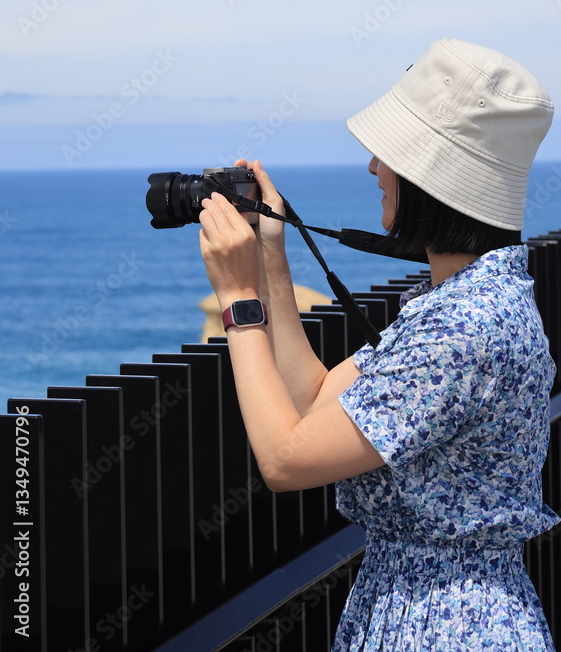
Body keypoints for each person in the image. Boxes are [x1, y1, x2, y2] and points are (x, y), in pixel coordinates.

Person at [198, 37, 560, 651]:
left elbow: (286, 461)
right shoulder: (464, 303)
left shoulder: (463, 328)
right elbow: (314, 399)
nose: (373, 167)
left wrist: (237, 301)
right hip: (432, 610)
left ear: (431, 177)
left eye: (388, 153)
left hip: (447, 627)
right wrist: (270, 257)